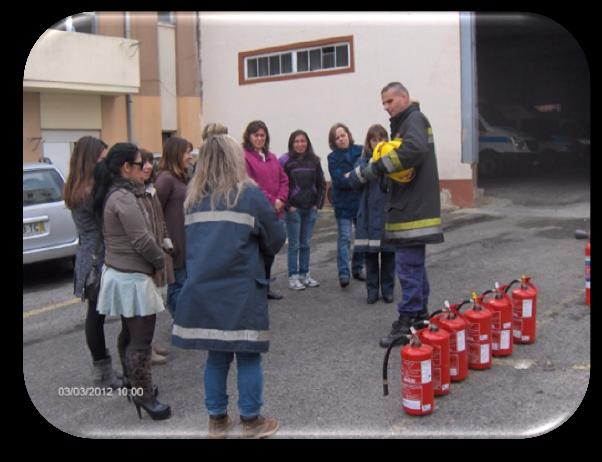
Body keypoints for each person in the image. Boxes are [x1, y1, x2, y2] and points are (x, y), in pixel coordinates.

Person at [172, 135, 286, 439]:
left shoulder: (192, 199)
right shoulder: (248, 195)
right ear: (235, 159)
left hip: (204, 290)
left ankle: (217, 422)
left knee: (217, 356)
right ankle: (250, 421)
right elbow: (275, 238)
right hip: (241, 289)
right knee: (247, 354)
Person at [350, 82, 444, 348]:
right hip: (412, 208)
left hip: (412, 211)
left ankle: (408, 321)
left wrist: (376, 168)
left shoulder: (413, 119)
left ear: (404, 97)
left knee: (407, 266)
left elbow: (414, 150)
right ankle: (421, 316)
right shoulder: (408, 122)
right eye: (384, 103)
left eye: (390, 101)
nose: (386, 107)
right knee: (414, 266)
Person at [93, 142, 171, 420]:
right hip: (132, 277)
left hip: (123, 274)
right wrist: (161, 260)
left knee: (129, 335)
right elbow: (141, 240)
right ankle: (145, 397)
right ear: (126, 168)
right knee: (141, 339)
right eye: (141, 164)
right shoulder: (123, 198)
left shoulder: (118, 194)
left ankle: (135, 387)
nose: (146, 168)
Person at [64, 136, 123, 389]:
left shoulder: (76, 186)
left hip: (88, 255)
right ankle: (104, 373)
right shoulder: (90, 191)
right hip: (97, 257)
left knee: (95, 315)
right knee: (97, 316)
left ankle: (103, 371)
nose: (106, 164)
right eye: (102, 158)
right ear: (91, 159)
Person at [348, 125, 396, 304]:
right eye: (374, 139)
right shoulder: (363, 161)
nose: (378, 142)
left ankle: (388, 290)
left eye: (382, 138)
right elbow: (353, 181)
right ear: (369, 142)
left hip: (388, 216)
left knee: (389, 255)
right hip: (368, 217)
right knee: (371, 256)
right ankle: (372, 290)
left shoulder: (393, 161)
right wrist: (372, 165)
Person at [242, 120, 289, 300]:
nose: (260, 139)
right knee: (256, 253)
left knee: (270, 251)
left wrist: (281, 198)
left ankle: (266, 286)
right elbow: (251, 185)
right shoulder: (245, 158)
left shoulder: (272, 157)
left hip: (275, 212)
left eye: (262, 135)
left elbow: (284, 179)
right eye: (256, 135)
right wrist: (272, 201)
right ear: (249, 137)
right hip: (257, 212)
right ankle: (256, 287)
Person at [140, 149, 176, 365]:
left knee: (155, 301)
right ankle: (145, 347)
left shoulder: (151, 190)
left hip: (158, 250)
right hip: (145, 256)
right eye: (142, 163)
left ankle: (150, 342)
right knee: (145, 304)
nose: (147, 166)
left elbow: (159, 218)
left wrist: (165, 239)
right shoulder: (131, 195)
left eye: (148, 162)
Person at [279, 130, 326, 290]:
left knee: (306, 243)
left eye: (303, 141)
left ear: (307, 142)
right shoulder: (285, 160)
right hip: (294, 209)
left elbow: (321, 184)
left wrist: (317, 205)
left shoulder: (315, 160)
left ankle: (305, 274)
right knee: (294, 244)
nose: (300, 144)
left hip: (310, 209)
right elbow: (281, 184)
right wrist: (287, 206)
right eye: (296, 141)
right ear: (292, 143)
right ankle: (293, 277)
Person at [155, 136, 194, 316]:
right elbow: (155, 211)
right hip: (174, 242)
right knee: (178, 283)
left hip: (184, 239)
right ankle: (179, 319)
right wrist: (165, 239)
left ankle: (183, 318)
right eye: (187, 152)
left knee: (184, 281)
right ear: (176, 154)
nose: (190, 156)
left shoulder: (180, 177)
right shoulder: (165, 179)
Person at [326, 123, 366, 288]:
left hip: (360, 200)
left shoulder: (360, 150)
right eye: (337, 137)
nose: (341, 139)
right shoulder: (332, 158)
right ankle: (344, 273)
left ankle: (358, 268)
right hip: (342, 203)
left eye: (343, 135)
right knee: (344, 239)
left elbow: (365, 170)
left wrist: (350, 175)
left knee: (361, 237)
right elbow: (339, 181)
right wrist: (355, 176)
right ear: (333, 141)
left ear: (348, 135)